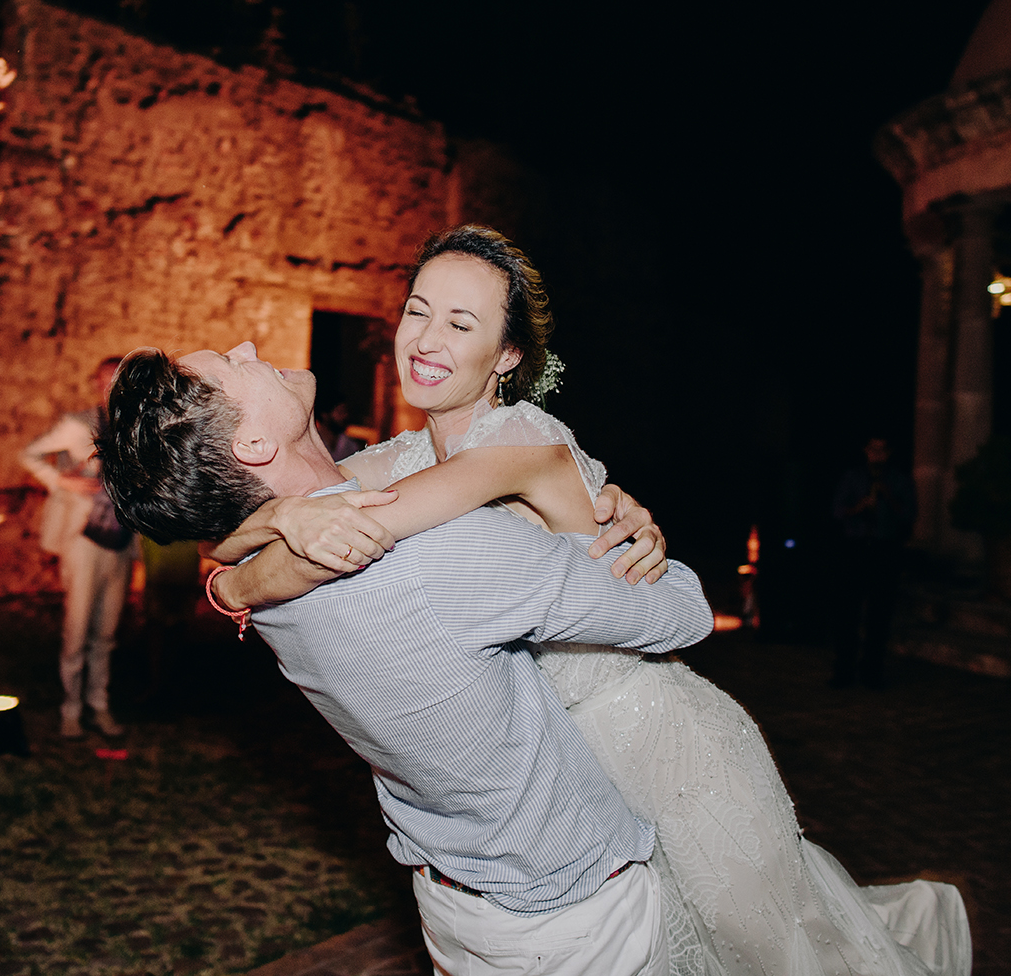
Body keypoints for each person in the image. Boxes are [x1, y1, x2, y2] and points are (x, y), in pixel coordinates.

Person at [202, 226, 971, 976]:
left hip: (657, 742)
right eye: (417, 310)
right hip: (566, 775)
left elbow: (337, 524)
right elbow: (237, 526)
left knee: (774, 947)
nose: (426, 339)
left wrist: (253, 560)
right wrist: (275, 526)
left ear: (505, 356)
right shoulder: (398, 458)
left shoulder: (520, 442)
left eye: (460, 322)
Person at [102, 343, 708, 975]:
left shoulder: (265, 573)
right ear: (253, 446)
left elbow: (218, 553)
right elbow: (682, 612)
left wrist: (276, 521)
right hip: (573, 912)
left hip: (449, 898)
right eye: (231, 364)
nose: (249, 347)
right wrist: (607, 530)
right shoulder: (438, 555)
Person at [20, 356, 136, 739]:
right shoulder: (78, 424)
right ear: (95, 384)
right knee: (77, 627)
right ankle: (70, 709)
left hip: (120, 539)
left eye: (117, 382)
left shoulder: (135, 428)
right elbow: (30, 453)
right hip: (82, 538)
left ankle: (98, 705)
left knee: (106, 631)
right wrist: (61, 481)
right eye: (104, 382)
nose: (110, 389)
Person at [829, 437, 917, 691]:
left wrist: (888, 497)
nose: (877, 454)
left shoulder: (899, 479)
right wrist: (859, 507)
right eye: (872, 449)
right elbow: (836, 510)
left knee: (880, 614)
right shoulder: (853, 477)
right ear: (865, 452)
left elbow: (909, 515)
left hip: (884, 550)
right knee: (847, 612)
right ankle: (844, 670)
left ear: (888, 453)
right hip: (855, 550)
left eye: (882, 449)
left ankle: (872, 672)